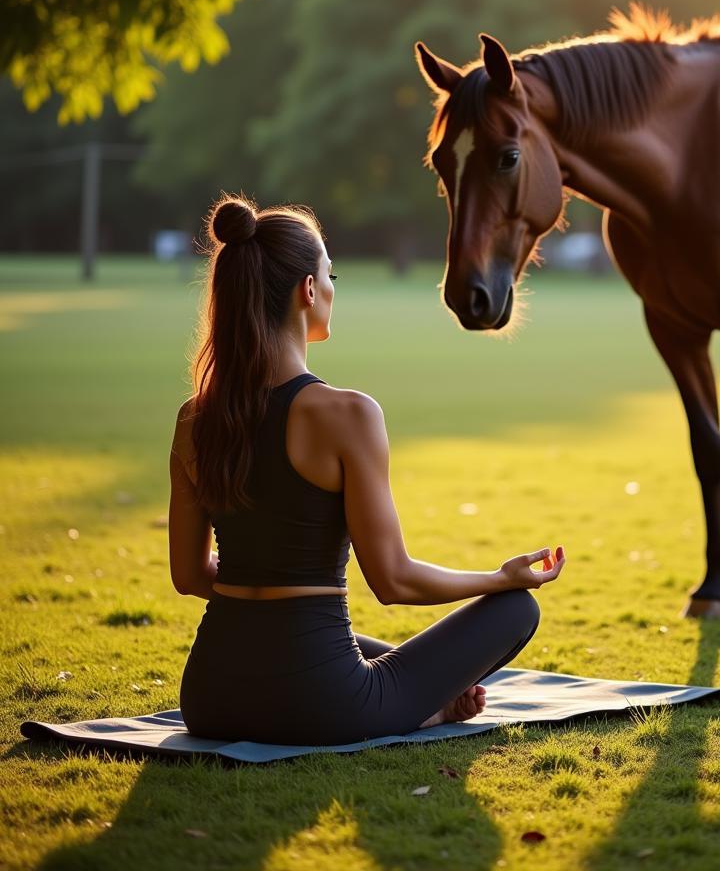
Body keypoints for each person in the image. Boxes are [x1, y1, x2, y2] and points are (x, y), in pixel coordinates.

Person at [168, 193, 566, 745]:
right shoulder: (347, 414)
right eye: (331, 274)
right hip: (320, 705)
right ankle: (424, 709)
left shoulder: (194, 419)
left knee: (357, 644)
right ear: (309, 290)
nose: (333, 287)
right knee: (514, 610)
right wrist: (501, 578)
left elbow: (188, 577)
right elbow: (393, 580)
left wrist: (260, 590)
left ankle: (418, 699)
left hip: (210, 698)